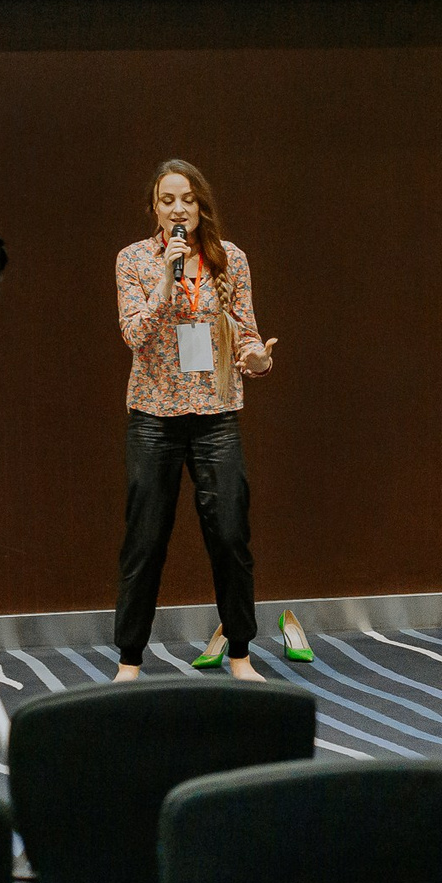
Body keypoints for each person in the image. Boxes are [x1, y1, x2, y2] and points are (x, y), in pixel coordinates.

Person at [112, 158, 289, 680]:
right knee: (144, 539)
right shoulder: (134, 261)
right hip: (154, 415)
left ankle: (239, 653)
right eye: (167, 200)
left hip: (215, 415)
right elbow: (134, 336)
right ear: (154, 208)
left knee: (231, 535)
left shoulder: (229, 260)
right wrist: (166, 285)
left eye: (186, 199)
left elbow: (248, 332)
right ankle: (129, 660)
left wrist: (259, 359)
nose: (177, 209)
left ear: (200, 205)